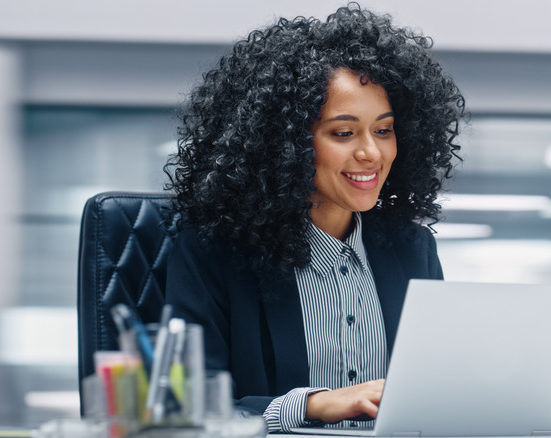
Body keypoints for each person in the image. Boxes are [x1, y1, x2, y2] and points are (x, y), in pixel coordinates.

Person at [163, 2, 466, 433]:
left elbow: (435, 390)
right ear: (283, 143)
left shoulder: (412, 250)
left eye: (383, 130)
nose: (371, 153)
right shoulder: (212, 252)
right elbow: (184, 408)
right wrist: (312, 405)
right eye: (343, 133)